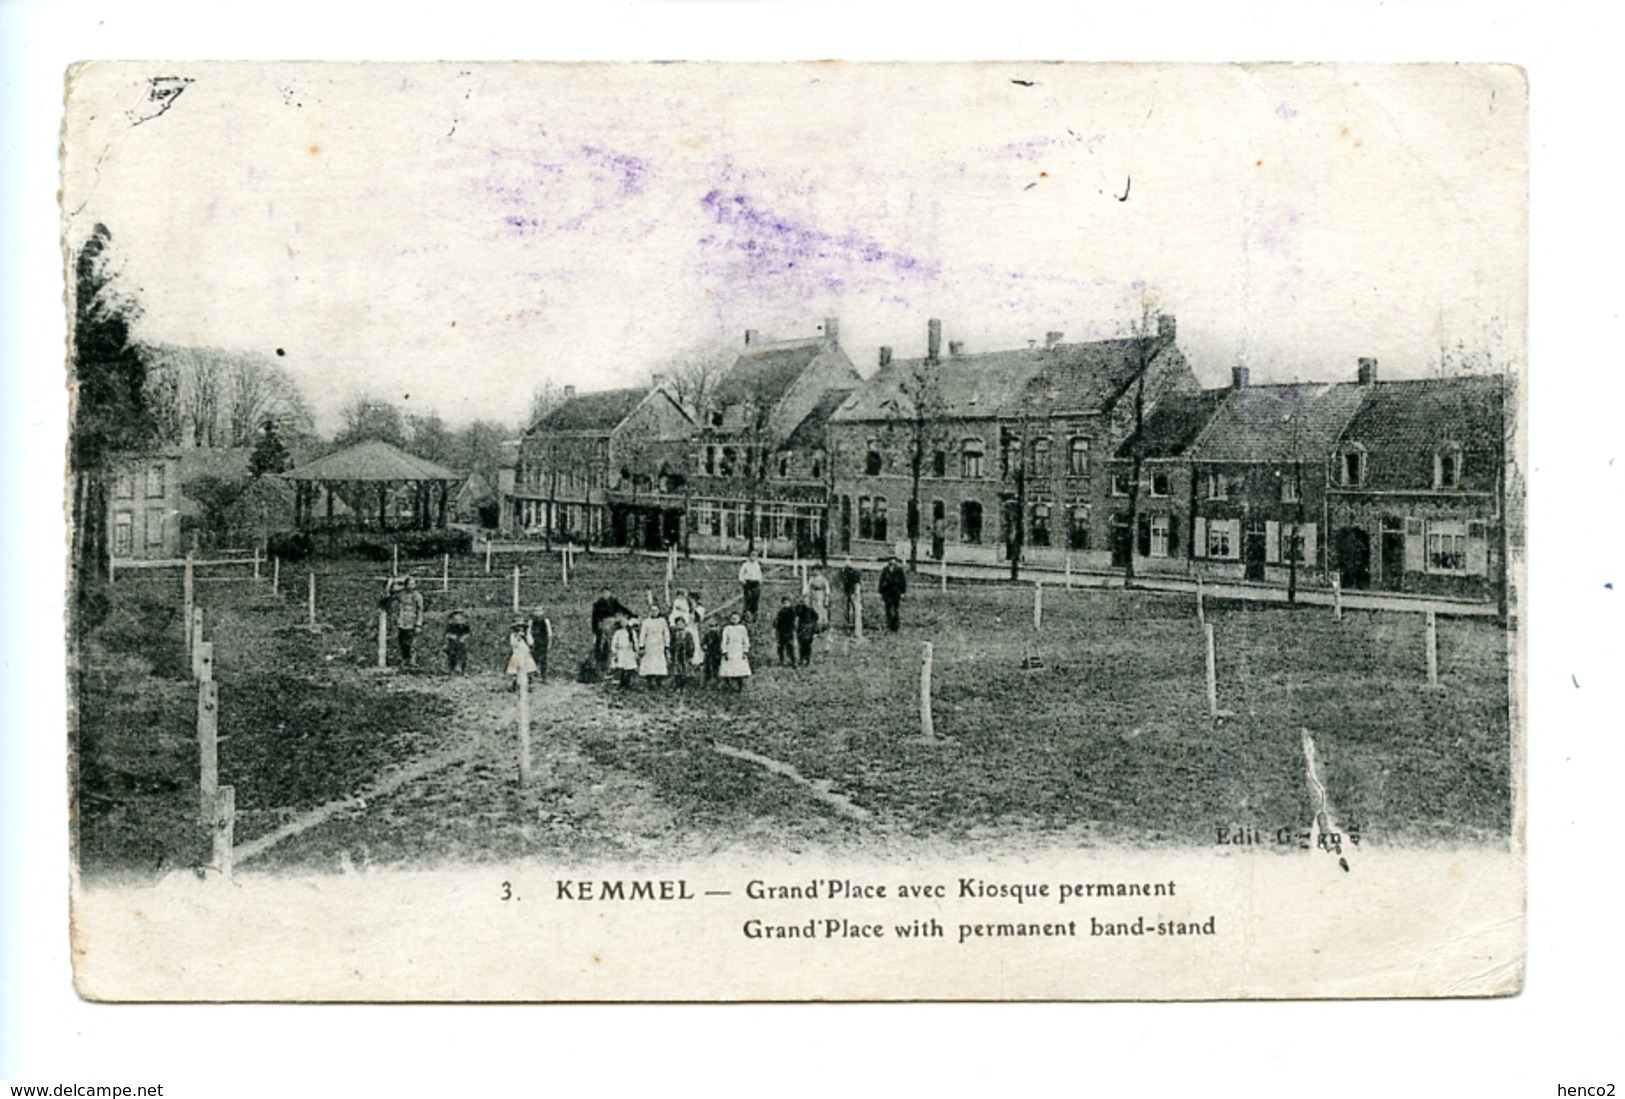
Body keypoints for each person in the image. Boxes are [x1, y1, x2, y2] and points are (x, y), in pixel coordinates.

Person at [591, 588, 636, 673]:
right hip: (603, 625)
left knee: (616, 641)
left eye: (607, 593)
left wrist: (632, 614)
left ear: (610, 593)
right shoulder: (597, 604)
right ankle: (602, 666)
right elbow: (594, 618)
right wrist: (595, 631)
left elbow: (622, 608)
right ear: (602, 594)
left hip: (613, 624)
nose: (606, 595)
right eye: (604, 593)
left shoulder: (614, 602)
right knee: (603, 645)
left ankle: (616, 665)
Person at [393, 575, 426, 668]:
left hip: (412, 621)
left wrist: (418, 624)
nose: (410, 586)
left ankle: (412, 661)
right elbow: (392, 592)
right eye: (409, 584)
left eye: (412, 584)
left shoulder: (418, 596)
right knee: (402, 641)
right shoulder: (401, 594)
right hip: (402, 620)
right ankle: (404, 660)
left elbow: (420, 610)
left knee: (412, 642)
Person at [638, 603, 671, 689]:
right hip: (649, 644)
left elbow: (666, 633)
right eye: (652, 611)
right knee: (649, 663)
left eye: (656, 610)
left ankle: (659, 681)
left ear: (659, 611)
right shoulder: (646, 622)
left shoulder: (662, 621)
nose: (654, 612)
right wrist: (641, 645)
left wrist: (667, 645)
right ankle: (650, 682)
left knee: (659, 663)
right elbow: (642, 634)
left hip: (659, 645)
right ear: (649, 612)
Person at [719, 611, 752, 691]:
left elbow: (745, 640)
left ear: (739, 619)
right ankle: (729, 686)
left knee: (739, 670)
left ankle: (739, 686)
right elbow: (724, 640)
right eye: (732, 618)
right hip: (730, 649)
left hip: (739, 650)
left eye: (736, 618)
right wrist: (725, 651)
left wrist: (745, 651)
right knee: (728, 669)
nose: (734, 620)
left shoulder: (742, 628)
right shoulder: (727, 628)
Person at [609, 616, 640, 689]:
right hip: (621, 651)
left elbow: (635, 642)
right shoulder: (618, 633)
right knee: (621, 667)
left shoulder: (632, 633)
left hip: (629, 651)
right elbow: (614, 642)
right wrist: (614, 651)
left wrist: (636, 651)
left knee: (630, 668)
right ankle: (621, 683)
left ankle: (627, 683)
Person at [879, 554, 908, 632]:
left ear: (896, 561)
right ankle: (889, 625)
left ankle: (895, 626)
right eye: (890, 559)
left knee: (895, 609)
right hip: (887, 592)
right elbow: (881, 581)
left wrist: (903, 592)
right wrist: (881, 591)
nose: (892, 561)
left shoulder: (899, 570)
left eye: (893, 559)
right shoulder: (885, 570)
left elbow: (903, 582)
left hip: (896, 592)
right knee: (888, 608)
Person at [505, 619, 537, 690]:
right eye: (518, 627)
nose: (520, 629)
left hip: (526, 655)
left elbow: (531, 643)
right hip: (517, 655)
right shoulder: (513, 636)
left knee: (529, 670)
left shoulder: (527, 635)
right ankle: (514, 684)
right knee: (514, 671)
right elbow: (513, 644)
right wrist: (518, 638)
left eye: (522, 627)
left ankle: (529, 685)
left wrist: (525, 637)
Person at [528, 605, 553, 682]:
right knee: (533, 658)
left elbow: (549, 632)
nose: (537, 613)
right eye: (535, 611)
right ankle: (531, 676)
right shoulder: (531, 621)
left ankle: (544, 677)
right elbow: (528, 632)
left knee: (543, 659)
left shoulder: (545, 621)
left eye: (539, 611)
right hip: (535, 641)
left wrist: (549, 642)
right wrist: (530, 641)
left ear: (542, 612)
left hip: (543, 641)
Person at [793, 593, 819, 666]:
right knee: (801, 644)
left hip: (809, 629)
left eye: (807, 600)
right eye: (804, 600)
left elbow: (815, 620)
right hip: (801, 628)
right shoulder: (800, 609)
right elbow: (795, 613)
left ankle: (807, 659)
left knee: (807, 645)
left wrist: (815, 632)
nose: (805, 601)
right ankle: (801, 659)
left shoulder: (812, 611)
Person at [738, 552, 764, 622]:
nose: (753, 557)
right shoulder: (745, 565)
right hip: (748, 583)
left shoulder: (757, 565)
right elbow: (741, 574)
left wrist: (759, 582)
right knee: (748, 599)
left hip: (756, 583)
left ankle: (754, 615)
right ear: (749, 556)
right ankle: (746, 616)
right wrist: (743, 581)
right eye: (752, 555)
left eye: (755, 556)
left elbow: (759, 574)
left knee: (755, 599)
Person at [839, 556, 863, 631]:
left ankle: (857, 625)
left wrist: (856, 592)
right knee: (847, 608)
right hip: (847, 591)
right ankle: (848, 624)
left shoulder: (855, 573)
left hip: (853, 592)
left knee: (856, 608)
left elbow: (857, 583)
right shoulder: (844, 572)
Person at [774, 596, 799, 667]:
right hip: (781, 632)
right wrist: (777, 630)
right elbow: (777, 622)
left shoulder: (792, 611)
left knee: (790, 647)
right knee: (780, 647)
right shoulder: (781, 612)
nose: (786, 604)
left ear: (790, 603)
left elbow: (793, 622)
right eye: (784, 603)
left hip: (789, 631)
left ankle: (793, 662)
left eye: (787, 602)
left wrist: (793, 629)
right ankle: (782, 661)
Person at [444, 610, 471, 675]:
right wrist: (451, 636)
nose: (458, 620)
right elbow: (447, 634)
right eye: (455, 618)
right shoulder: (451, 626)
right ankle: (451, 668)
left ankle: (462, 669)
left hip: (461, 643)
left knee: (462, 653)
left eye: (460, 618)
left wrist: (463, 637)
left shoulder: (465, 626)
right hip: (452, 643)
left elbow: (468, 633)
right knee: (451, 653)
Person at [807, 565, 832, 633]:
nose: (815, 572)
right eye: (814, 570)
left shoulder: (823, 579)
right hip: (813, 595)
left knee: (821, 611)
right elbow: (808, 587)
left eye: (816, 570)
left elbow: (827, 589)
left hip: (820, 595)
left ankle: (822, 628)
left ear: (819, 571)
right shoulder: (812, 579)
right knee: (813, 610)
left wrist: (826, 599)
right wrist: (808, 595)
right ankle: (815, 628)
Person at [701, 611, 724, 686]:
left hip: (717, 652)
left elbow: (722, 643)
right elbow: (703, 642)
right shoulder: (707, 635)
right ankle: (706, 681)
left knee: (717, 667)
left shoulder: (720, 635)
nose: (713, 628)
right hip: (709, 652)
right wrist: (704, 646)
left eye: (715, 626)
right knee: (707, 667)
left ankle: (718, 681)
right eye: (711, 626)